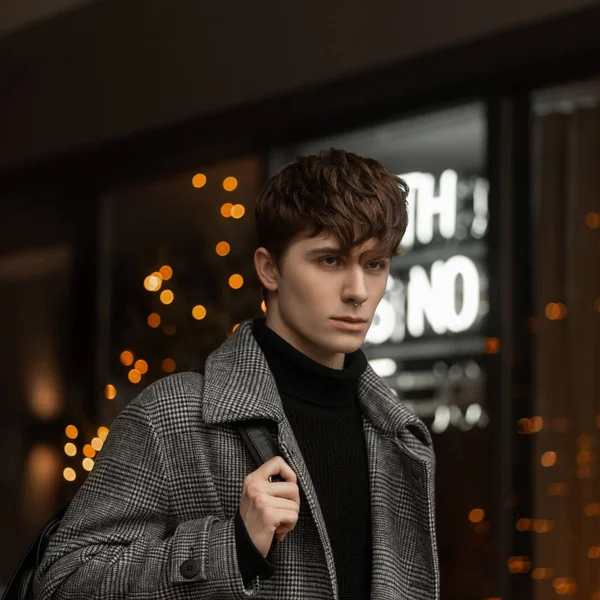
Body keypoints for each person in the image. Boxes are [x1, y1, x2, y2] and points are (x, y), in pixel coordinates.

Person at [34, 148, 439, 600]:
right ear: (269, 268)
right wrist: (233, 547)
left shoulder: (398, 433)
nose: (358, 291)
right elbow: (64, 582)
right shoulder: (173, 415)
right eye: (329, 260)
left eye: (374, 264)